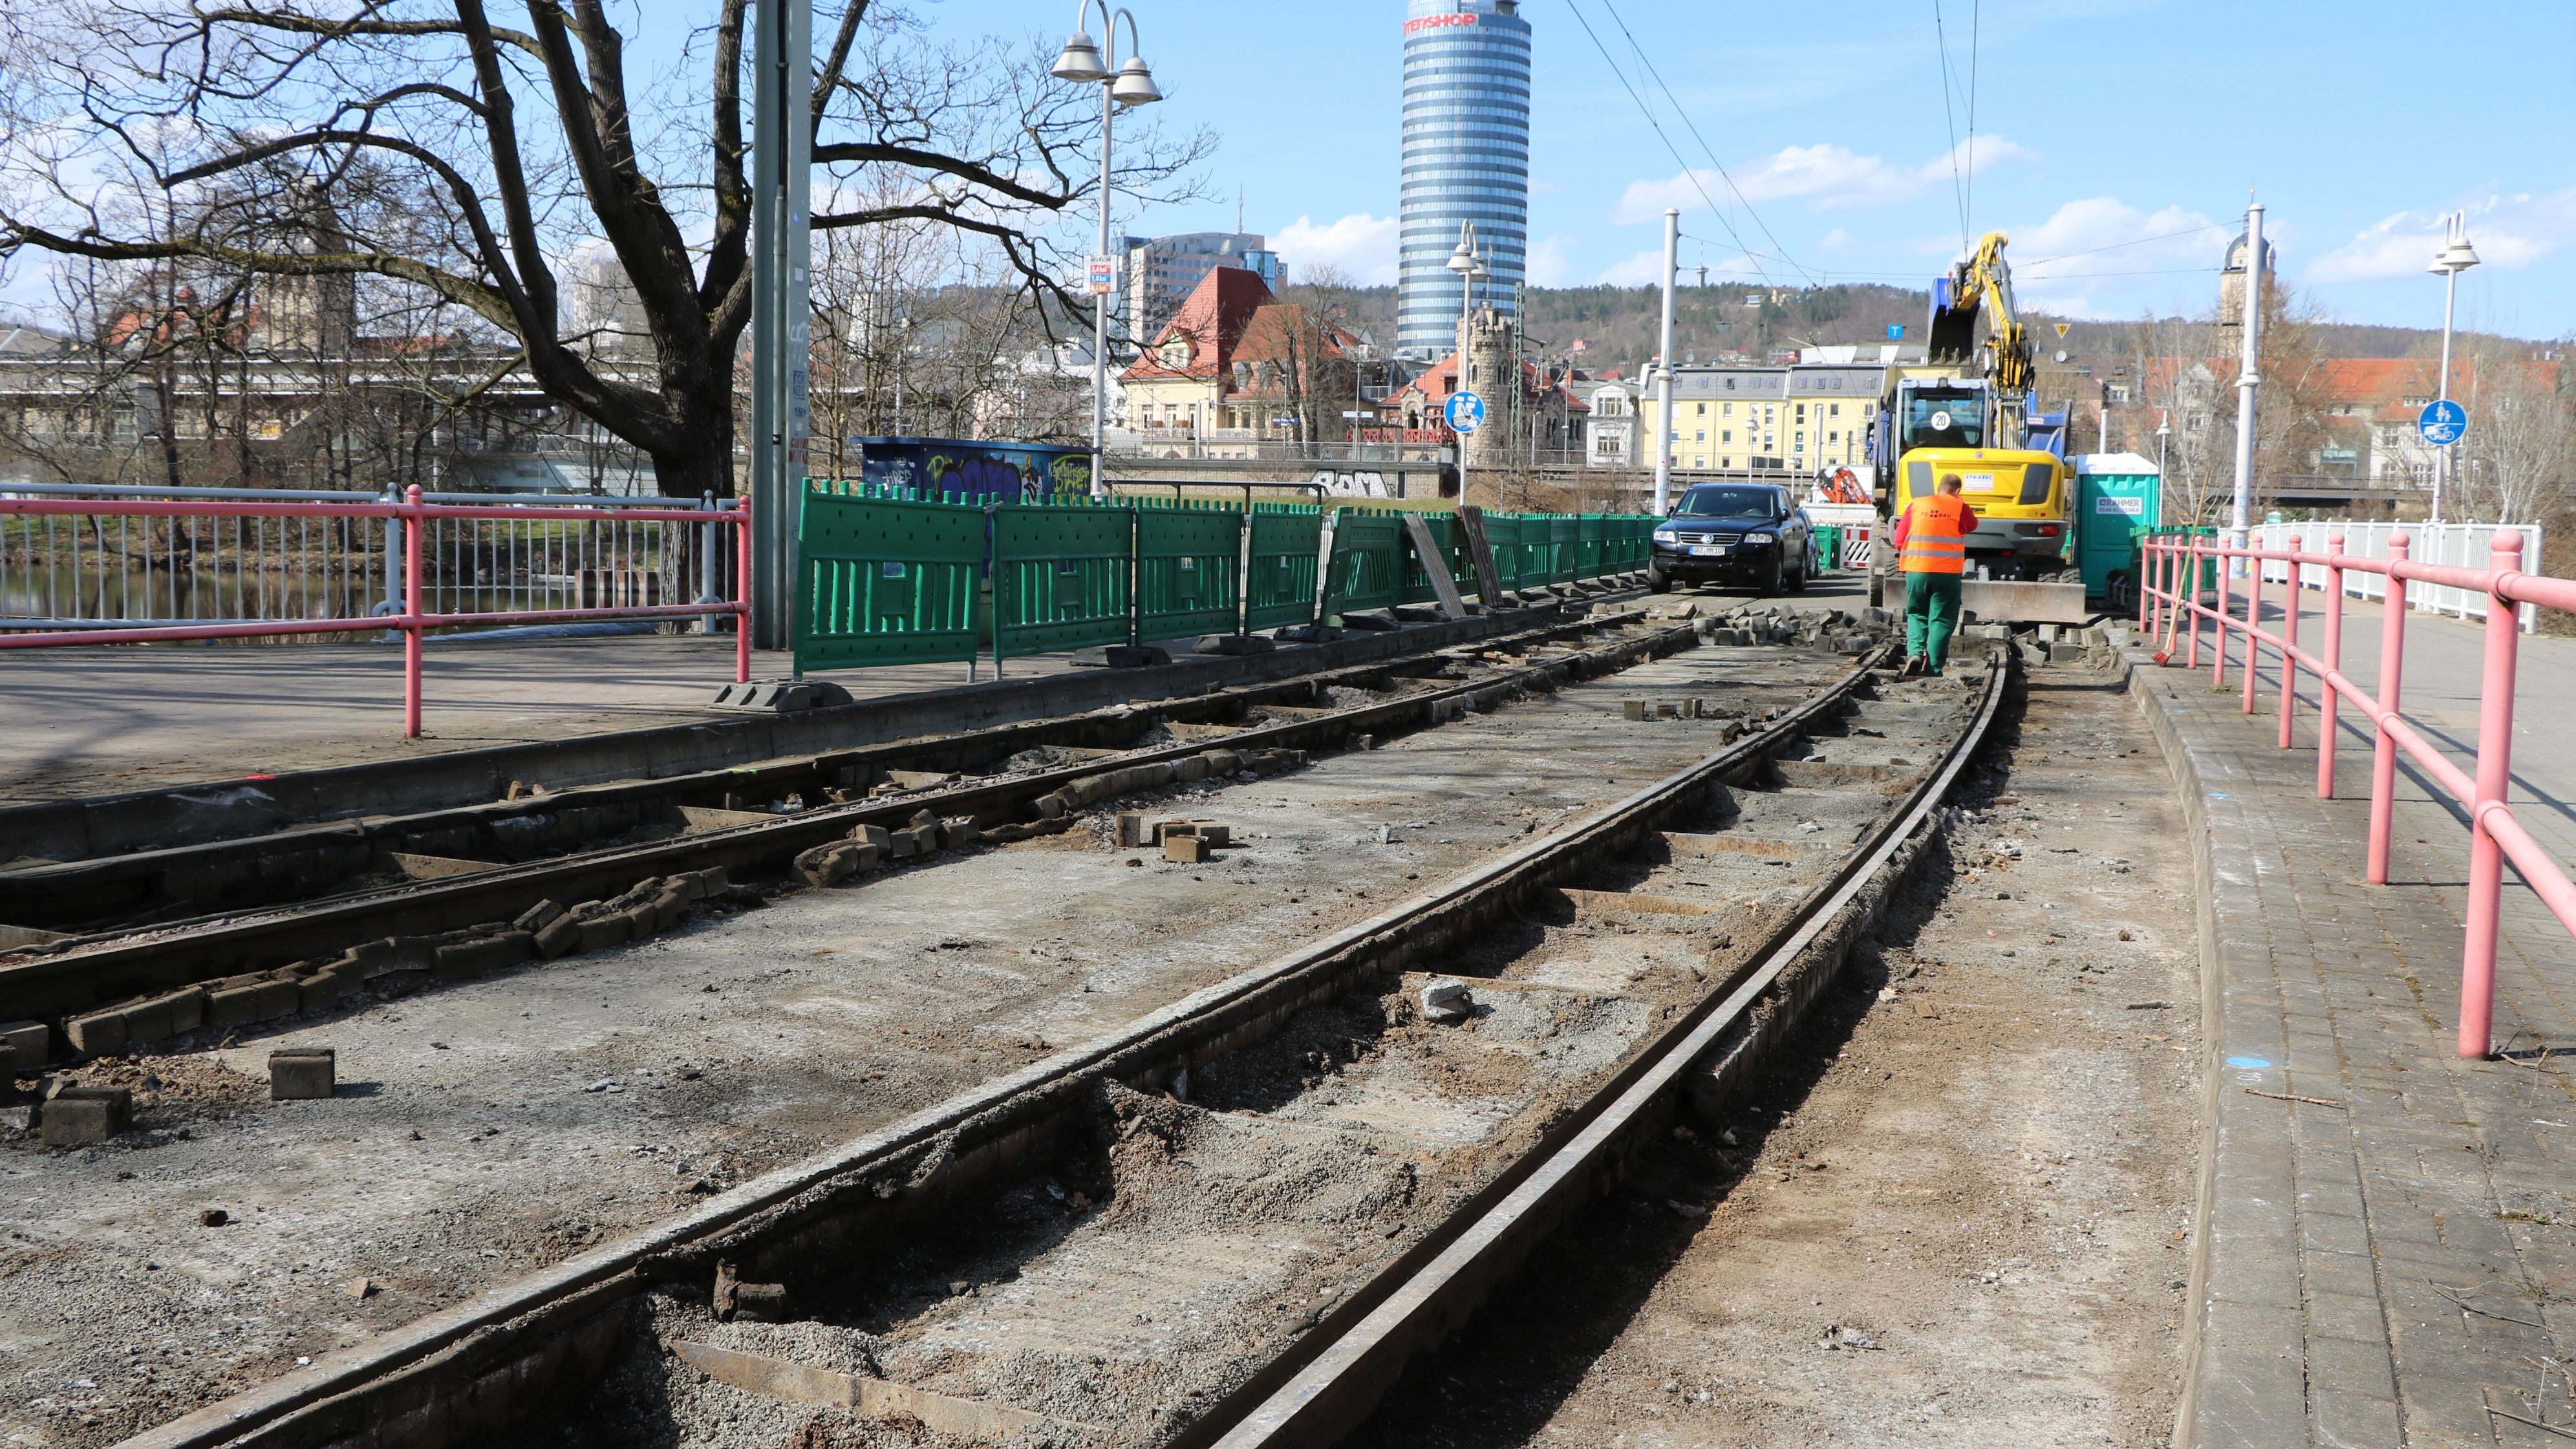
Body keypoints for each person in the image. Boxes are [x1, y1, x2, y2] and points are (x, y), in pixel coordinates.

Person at [1890, 472, 1976, 676]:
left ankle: (1915, 653)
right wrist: (1959, 501)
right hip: (1947, 573)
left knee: (1917, 613)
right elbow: (1972, 525)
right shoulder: (1959, 506)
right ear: (1957, 491)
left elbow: (1899, 540)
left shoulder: (1916, 505)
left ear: (1938, 488)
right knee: (1942, 619)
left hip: (1917, 570)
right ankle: (1933, 668)